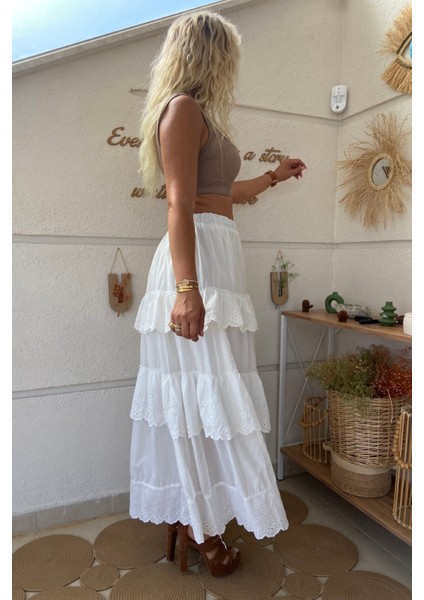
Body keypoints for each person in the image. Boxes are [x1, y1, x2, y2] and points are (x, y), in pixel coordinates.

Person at [130, 10, 306, 577]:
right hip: (195, 264)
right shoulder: (182, 109)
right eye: (229, 54)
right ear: (210, 54)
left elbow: (225, 192)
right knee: (198, 395)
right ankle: (201, 531)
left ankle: (195, 516)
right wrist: (187, 289)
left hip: (215, 257)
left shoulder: (202, 115)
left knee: (210, 396)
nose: (233, 64)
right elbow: (179, 203)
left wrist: (275, 176)